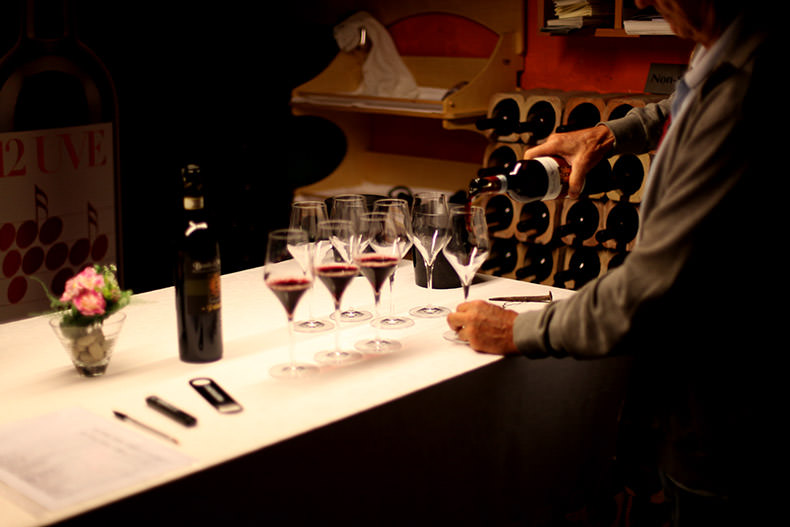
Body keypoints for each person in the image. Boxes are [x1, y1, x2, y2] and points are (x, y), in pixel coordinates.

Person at [447, 1, 783, 525]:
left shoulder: (752, 89)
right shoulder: (731, 51)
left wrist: (517, 331)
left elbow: (650, 287)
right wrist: (605, 136)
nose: (646, 2)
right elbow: (680, 104)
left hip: (731, 435)